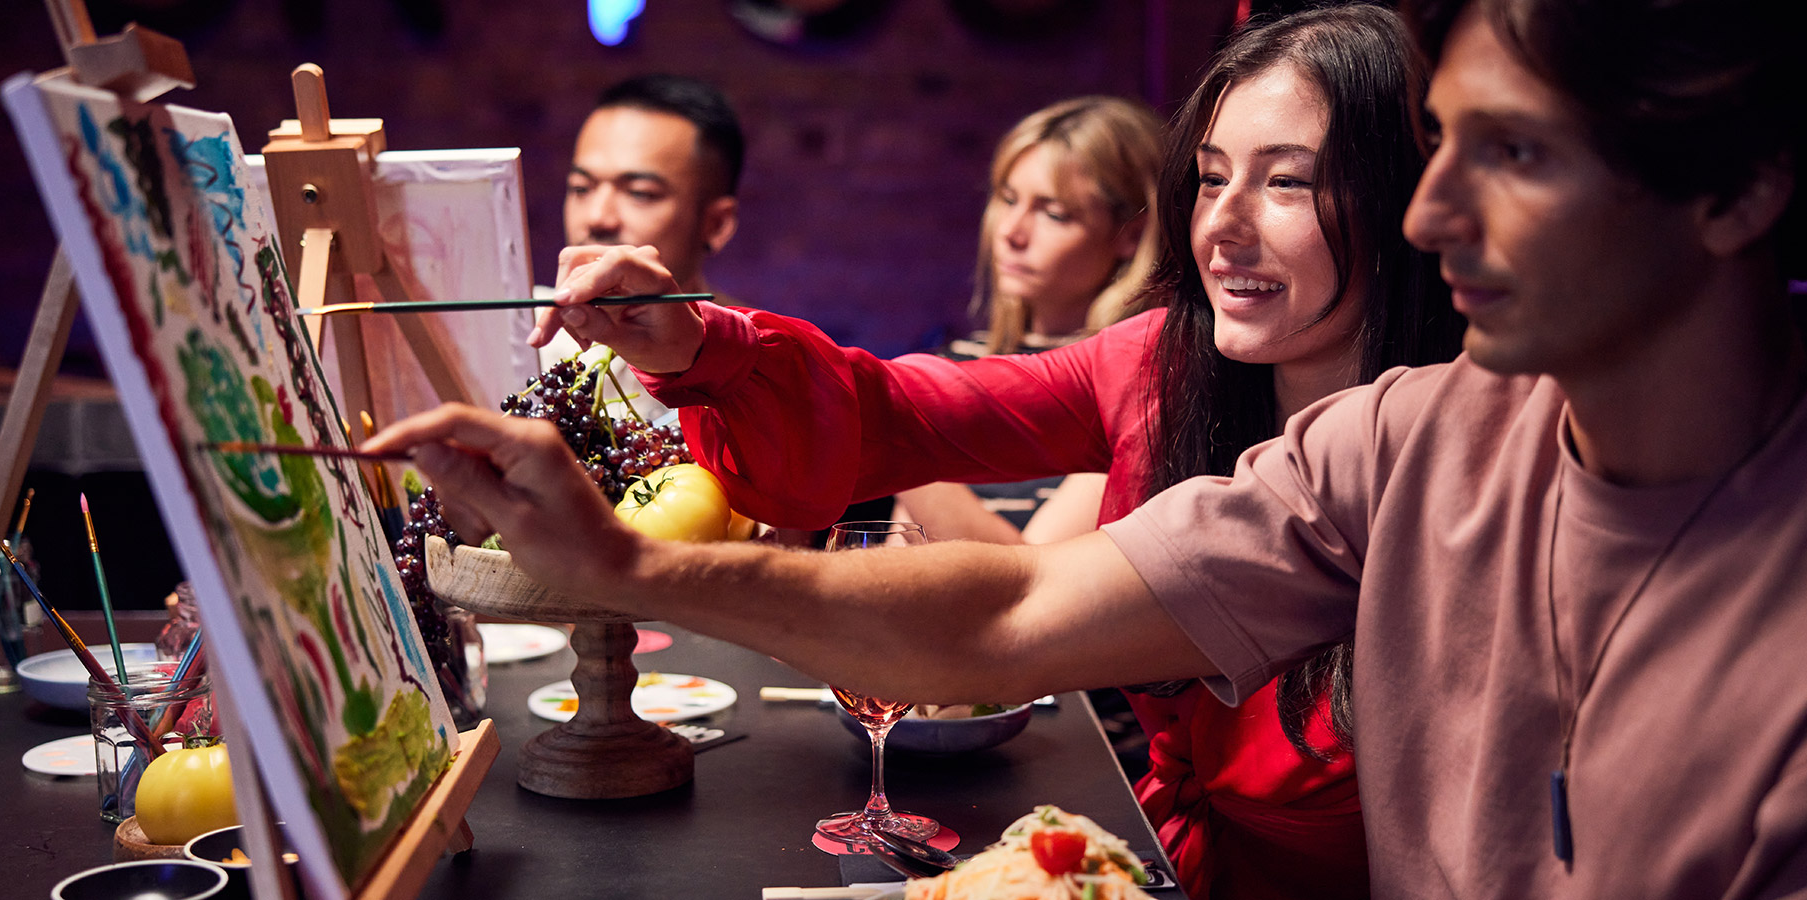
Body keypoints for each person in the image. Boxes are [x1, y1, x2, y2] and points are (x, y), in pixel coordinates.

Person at [370, 0, 1807, 894]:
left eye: (1513, 154)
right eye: (1210, 176)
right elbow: (1012, 608)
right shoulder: (1412, 438)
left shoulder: (1805, 647)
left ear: (1740, 196)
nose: (1431, 214)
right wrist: (636, 534)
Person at [497, 7, 1470, 898]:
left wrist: (632, 567)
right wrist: (701, 346)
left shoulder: (1459, 453)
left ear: (1403, 211)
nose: (1222, 224)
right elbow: (905, 408)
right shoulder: (1157, 364)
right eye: (1211, 177)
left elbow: (1013, 608)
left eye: (1286, 180)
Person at [896, 94, 1162, 546]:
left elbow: (1034, 576)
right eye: (1008, 198)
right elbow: (898, 557)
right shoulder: (956, 362)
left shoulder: (1140, 380)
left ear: (1131, 235)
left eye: (1054, 213)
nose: (1011, 232)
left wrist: (893, 433)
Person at [537, 73, 747, 423]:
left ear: (716, 224)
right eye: (581, 187)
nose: (597, 217)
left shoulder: (750, 374)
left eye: (640, 193)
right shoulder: (527, 336)